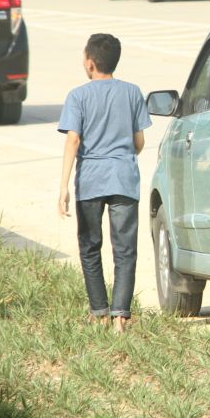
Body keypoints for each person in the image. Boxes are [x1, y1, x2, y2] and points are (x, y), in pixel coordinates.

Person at [57, 33, 151, 333]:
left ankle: (98, 312)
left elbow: (73, 140)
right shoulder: (132, 92)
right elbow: (139, 141)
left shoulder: (78, 96)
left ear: (89, 63)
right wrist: (122, 153)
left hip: (91, 181)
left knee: (90, 246)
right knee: (125, 250)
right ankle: (121, 317)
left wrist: (63, 187)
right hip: (123, 178)